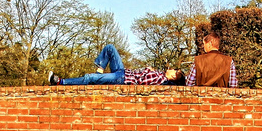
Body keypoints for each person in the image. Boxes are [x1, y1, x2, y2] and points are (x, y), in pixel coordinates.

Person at [49, 44, 181, 86]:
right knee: (110, 48)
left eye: (174, 71)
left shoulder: (162, 80)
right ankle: (100, 69)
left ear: (174, 77)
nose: (171, 69)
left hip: (122, 79)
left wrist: (148, 69)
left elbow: (143, 80)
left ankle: (60, 82)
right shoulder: (160, 74)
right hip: (123, 72)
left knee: (90, 78)